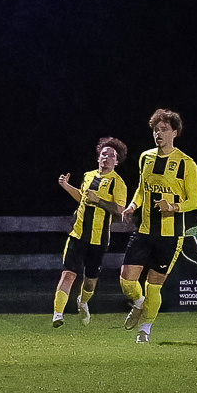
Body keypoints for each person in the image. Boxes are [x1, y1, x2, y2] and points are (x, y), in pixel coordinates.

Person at [119, 109, 197, 343]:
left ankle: (145, 330)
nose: (158, 134)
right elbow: (141, 188)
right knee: (126, 280)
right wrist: (133, 205)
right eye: (156, 130)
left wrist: (172, 207)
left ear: (175, 132)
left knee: (153, 287)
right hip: (144, 230)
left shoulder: (186, 164)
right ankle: (139, 304)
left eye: (164, 129)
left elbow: (195, 201)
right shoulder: (146, 157)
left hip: (170, 235)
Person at [51, 137, 128, 326]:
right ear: (98, 157)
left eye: (112, 156)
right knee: (68, 273)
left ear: (117, 161)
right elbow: (83, 198)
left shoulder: (118, 183)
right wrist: (66, 186)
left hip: (98, 239)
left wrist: (99, 201)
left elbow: (119, 210)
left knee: (90, 282)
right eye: (104, 154)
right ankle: (58, 314)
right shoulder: (88, 176)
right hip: (77, 235)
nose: (107, 158)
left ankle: (83, 301)